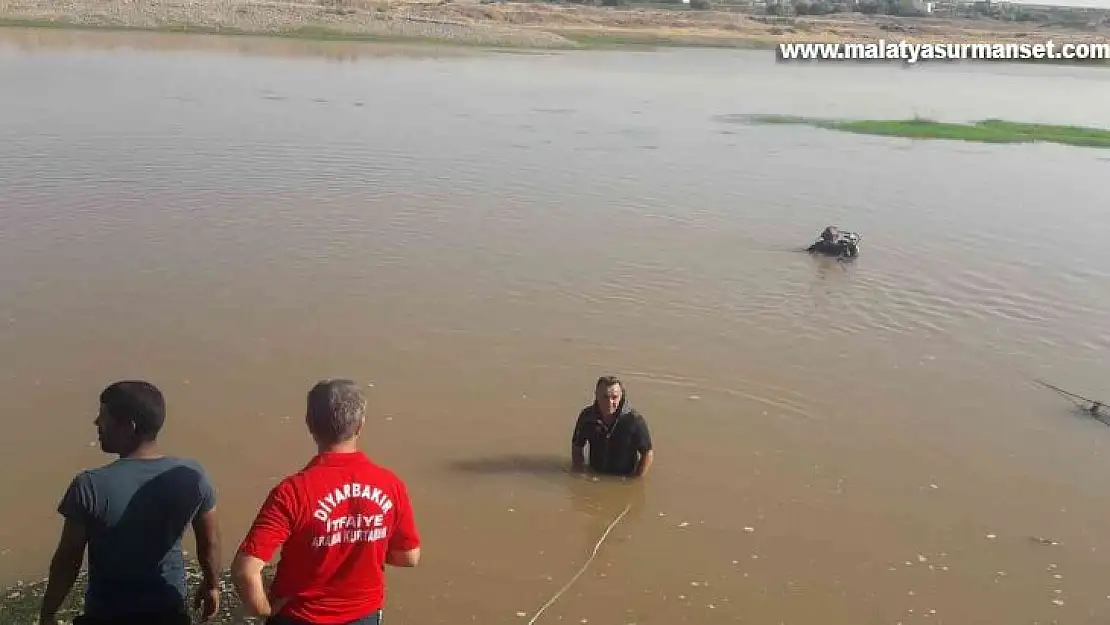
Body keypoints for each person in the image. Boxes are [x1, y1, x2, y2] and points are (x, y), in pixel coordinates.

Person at [231, 379, 421, 625]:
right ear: (360, 425)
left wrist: (264, 609)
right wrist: (362, 539)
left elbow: (245, 570)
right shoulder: (390, 485)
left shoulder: (292, 492)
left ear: (310, 424)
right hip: (362, 616)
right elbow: (408, 557)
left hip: (300, 616)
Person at [39, 380, 222, 625]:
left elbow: (68, 560)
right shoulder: (193, 476)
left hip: (107, 615)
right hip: (169, 612)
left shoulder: (89, 485)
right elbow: (209, 543)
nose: (96, 423)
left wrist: (48, 613)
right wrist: (212, 586)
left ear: (129, 426)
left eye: (103, 417)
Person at [571, 376, 654, 478]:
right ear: (596, 395)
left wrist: (635, 480)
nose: (609, 402)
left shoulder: (634, 420)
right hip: (595, 475)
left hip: (624, 476)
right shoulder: (587, 417)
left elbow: (647, 453)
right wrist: (580, 473)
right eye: (605, 397)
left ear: (621, 396)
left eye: (614, 397)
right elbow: (577, 447)